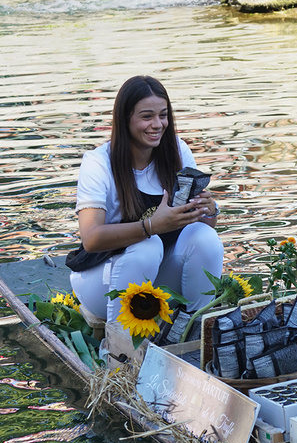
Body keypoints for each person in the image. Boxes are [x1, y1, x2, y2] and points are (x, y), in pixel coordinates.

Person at [68, 75, 223, 325]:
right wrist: (150, 226)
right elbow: (91, 238)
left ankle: (196, 329)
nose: (158, 124)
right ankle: (121, 349)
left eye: (163, 115)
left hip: (155, 283)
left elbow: (203, 227)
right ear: (125, 119)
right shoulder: (98, 162)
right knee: (147, 245)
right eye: (147, 116)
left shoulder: (178, 151)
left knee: (205, 238)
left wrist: (209, 210)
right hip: (102, 283)